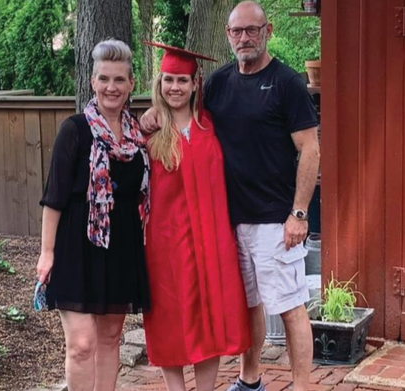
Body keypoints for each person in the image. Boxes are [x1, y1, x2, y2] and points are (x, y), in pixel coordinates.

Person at [140, 2, 320, 391]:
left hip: (276, 217)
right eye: (237, 32)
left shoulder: (287, 82)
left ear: (267, 30)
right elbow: (179, 119)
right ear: (227, 35)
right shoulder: (219, 84)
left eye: (252, 30)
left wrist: (299, 214)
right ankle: (249, 379)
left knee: (289, 307)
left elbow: (310, 148)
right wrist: (149, 116)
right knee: (248, 304)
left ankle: (303, 386)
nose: (244, 38)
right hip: (230, 221)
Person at [36, 39, 150, 391]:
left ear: (131, 84)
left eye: (119, 80)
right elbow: (54, 197)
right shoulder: (75, 130)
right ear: (92, 82)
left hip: (121, 250)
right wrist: (46, 252)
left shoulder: (138, 136)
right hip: (77, 249)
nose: (111, 87)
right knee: (82, 343)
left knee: (111, 337)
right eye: (103, 79)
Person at [143, 42, 251, 391]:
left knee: (211, 318)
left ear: (195, 84)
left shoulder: (210, 128)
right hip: (167, 241)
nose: (175, 87)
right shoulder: (149, 132)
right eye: (169, 80)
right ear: (160, 83)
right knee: (168, 317)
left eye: (182, 80)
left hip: (212, 238)